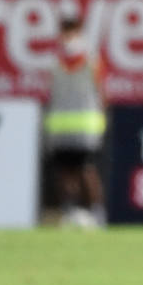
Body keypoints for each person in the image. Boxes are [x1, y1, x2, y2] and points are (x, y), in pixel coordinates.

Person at [44, 15, 106, 229]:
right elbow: (100, 87)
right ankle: (75, 212)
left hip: (74, 123)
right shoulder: (86, 57)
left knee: (82, 169)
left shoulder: (66, 59)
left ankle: (91, 212)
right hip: (73, 122)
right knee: (71, 170)